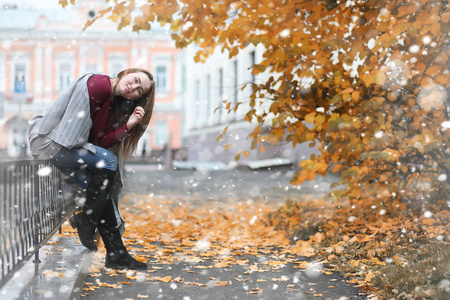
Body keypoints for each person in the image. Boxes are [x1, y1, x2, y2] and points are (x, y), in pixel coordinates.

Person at [28, 68, 156, 270]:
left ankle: (116, 254)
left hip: (62, 148)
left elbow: (98, 141)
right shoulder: (99, 85)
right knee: (109, 162)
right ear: (127, 73)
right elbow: (87, 140)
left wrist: (129, 125)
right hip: (51, 143)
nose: (133, 87)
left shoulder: (112, 102)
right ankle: (86, 219)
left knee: (100, 193)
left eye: (139, 91)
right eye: (135, 80)